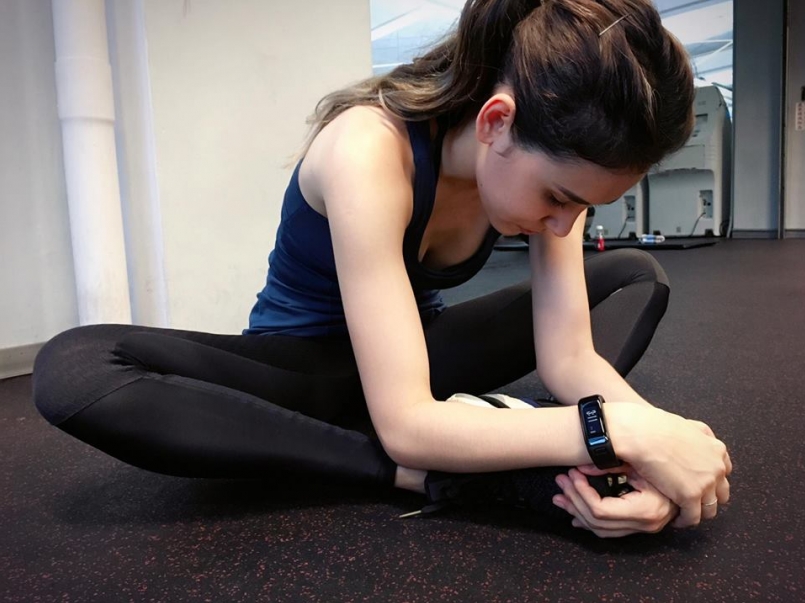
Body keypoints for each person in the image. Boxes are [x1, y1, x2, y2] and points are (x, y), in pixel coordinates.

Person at [33, 0, 731, 539]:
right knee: (76, 368)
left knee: (633, 274)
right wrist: (613, 434)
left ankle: (468, 441)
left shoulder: (547, 168)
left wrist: (660, 446)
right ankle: (427, 474)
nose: (563, 224)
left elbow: (569, 356)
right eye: (557, 198)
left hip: (413, 363)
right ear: (496, 122)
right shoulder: (368, 149)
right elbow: (405, 422)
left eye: (581, 207)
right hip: (307, 373)